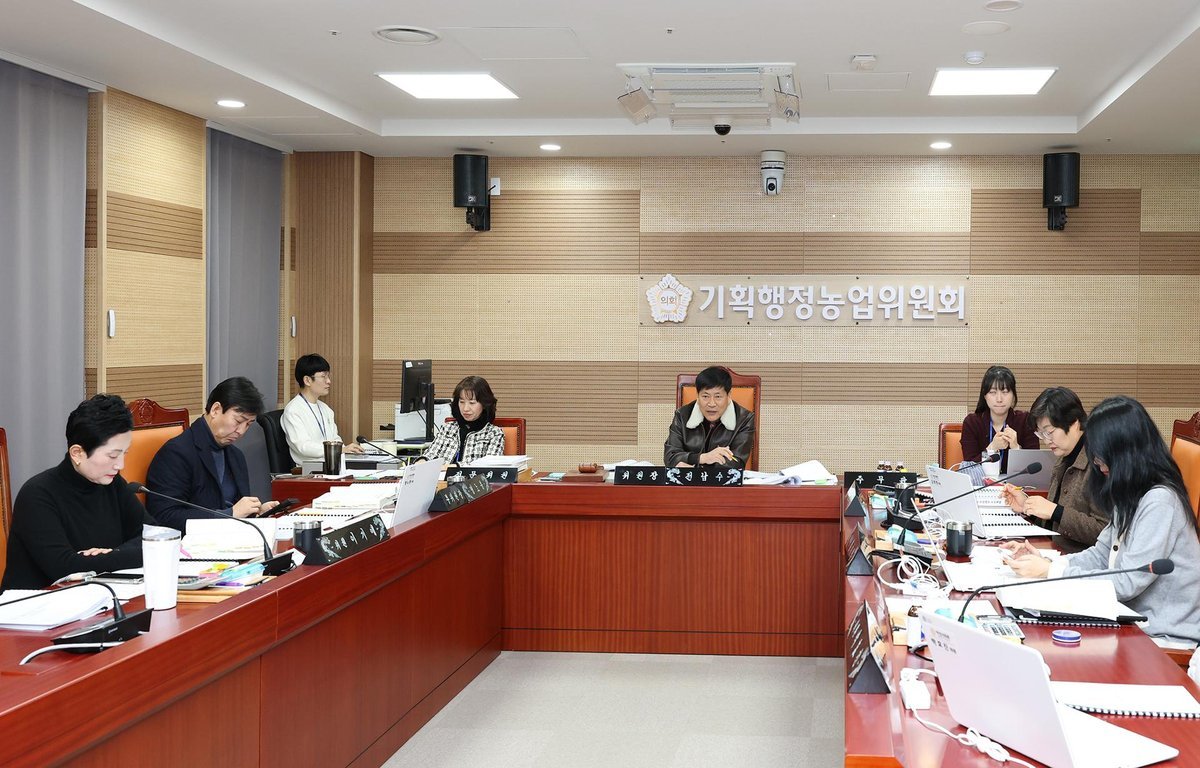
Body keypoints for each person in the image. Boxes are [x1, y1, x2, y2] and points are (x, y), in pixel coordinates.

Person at [1004, 396, 1200, 647]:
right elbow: (1101, 554)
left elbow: (1127, 582)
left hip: (1161, 637)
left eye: (1100, 454)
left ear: (1125, 451)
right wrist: (1049, 563)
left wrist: (1051, 572)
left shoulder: (1160, 501)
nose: (1096, 462)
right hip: (1127, 618)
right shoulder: (1131, 491)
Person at [2, 395, 156, 590]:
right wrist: (120, 556)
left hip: (99, 597)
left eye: (124, 453)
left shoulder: (113, 483)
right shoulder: (37, 494)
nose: (120, 465)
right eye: (112, 455)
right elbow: (65, 569)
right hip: (37, 603)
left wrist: (112, 554)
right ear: (77, 453)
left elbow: (155, 537)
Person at [146, 377, 279, 530]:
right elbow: (164, 516)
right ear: (215, 410)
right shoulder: (176, 453)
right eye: (238, 421)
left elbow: (237, 511)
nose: (241, 431)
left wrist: (257, 513)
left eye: (248, 424)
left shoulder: (236, 456)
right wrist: (228, 514)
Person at [1000, 387, 1107, 547]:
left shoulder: (1099, 464)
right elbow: (1052, 521)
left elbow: (1104, 532)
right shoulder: (1063, 459)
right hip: (1051, 551)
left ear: (1074, 423)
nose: (1046, 440)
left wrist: (1055, 511)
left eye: (1049, 432)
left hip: (1077, 558)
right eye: (1041, 434)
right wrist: (1027, 506)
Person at [664, 366, 755, 468]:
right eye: (705, 396)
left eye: (718, 397)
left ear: (729, 395)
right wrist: (702, 458)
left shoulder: (744, 419)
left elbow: (736, 463)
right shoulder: (682, 415)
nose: (711, 404)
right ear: (697, 395)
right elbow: (670, 457)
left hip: (718, 479)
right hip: (689, 478)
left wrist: (693, 467)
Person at [281, 353, 363, 465]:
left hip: (332, 463)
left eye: (328, 376)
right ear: (307, 380)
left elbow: (335, 438)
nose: (328, 381)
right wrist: (339, 450)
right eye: (323, 376)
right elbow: (303, 446)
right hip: (309, 469)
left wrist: (347, 450)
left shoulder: (325, 408)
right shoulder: (293, 410)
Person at [959, 365, 1039, 473]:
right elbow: (968, 467)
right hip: (981, 482)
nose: (999, 399)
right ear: (985, 396)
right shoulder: (972, 422)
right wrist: (992, 448)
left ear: (1013, 395)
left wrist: (1016, 448)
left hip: (1015, 483)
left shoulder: (1025, 420)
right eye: (993, 392)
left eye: (1005, 392)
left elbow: (1034, 468)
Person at [421, 376, 505, 465]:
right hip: (440, 474)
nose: (465, 408)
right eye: (461, 402)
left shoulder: (494, 434)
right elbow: (430, 454)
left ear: (484, 404)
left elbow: (489, 466)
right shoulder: (448, 429)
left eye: (472, 403)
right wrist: (422, 461)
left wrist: (453, 467)